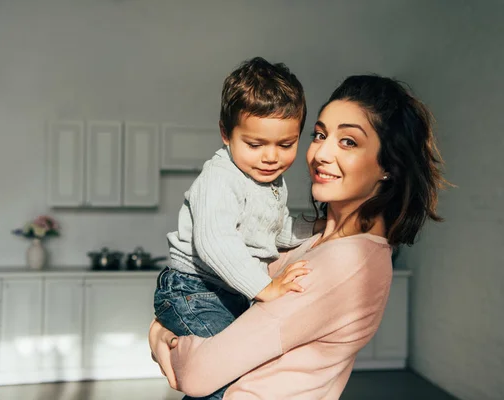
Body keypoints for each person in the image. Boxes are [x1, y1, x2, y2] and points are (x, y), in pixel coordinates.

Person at [150, 74, 448, 399]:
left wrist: (161, 337)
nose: (321, 154)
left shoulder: (350, 261)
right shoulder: (316, 239)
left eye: (348, 141)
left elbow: (197, 373)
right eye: (320, 135)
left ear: (389, 163)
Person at [154, 57, 320, 399]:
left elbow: (276, 230)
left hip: (224, 292)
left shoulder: (271, 182)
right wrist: (265, 287)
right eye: (255, 144)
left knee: (229, 376)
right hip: (192, 290)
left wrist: (319, 227)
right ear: (226, 134)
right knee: (225, 378)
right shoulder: (220, 178)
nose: (270, 157)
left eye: (285, 145)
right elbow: (216, 242)